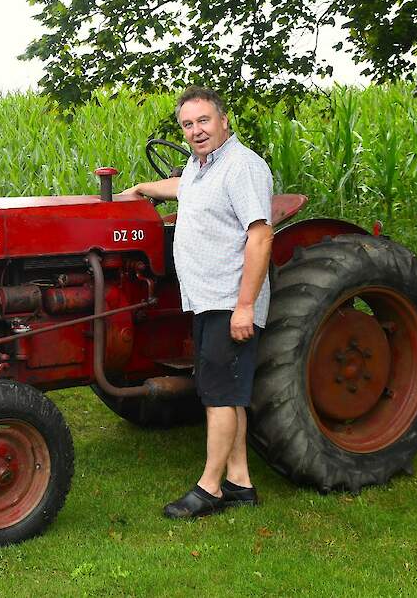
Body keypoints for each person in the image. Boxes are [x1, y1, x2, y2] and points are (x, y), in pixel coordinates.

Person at [121, 86, 274, 519]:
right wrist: (141, 188)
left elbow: (261, 235)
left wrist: (245, 306)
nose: (195, 131)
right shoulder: (201, 166)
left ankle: (210, 488)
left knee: (218, 396)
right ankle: (240, 483)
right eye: (187, 125)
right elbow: (183, 186)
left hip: (230, 298)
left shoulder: (242, 167)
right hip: (206, 299)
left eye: (203, 121)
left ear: (224, 121)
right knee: (225, 391)